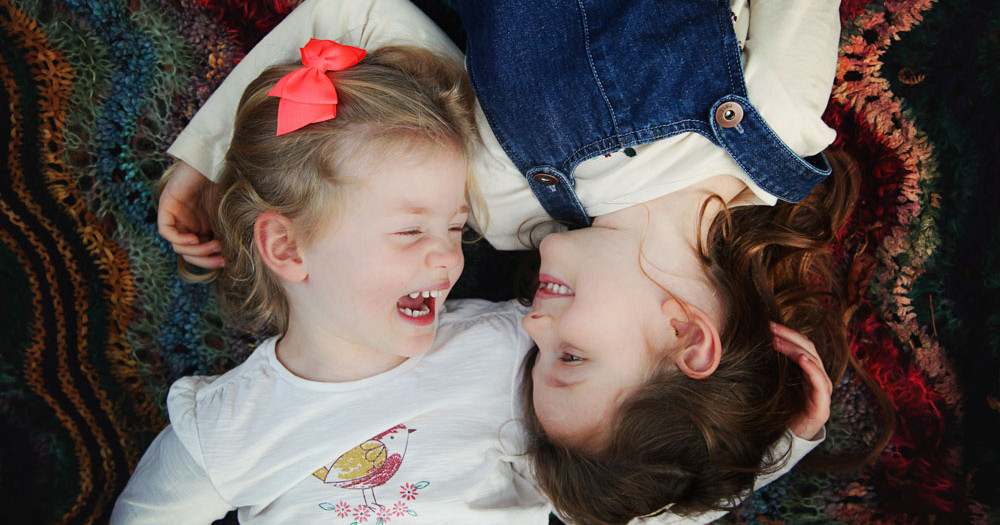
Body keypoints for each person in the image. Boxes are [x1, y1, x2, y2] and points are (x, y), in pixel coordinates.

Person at [153, 0, 891, 523]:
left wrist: (211, 156)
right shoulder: (774, 120)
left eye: (532, 353)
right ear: (688, 336)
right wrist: (774, 443)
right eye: (568, 353)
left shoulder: (502, 203)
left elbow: (355, 14)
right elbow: (648, 493)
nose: (530, 320)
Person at [112, 42, 552, 524]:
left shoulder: (510, 352)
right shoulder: (225, 429)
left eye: (456, 228)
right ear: (287, 247)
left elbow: (618, 486)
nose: (448, 255)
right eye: (409, 231)